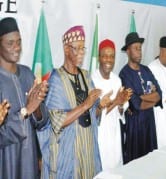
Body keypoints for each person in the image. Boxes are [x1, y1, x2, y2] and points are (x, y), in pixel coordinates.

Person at [40, 26, 102, 178]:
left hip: (88, 150)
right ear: (66, 50)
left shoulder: (86, 76)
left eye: (83, 48)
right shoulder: (56, 80)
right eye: (77, 48)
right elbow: (57, 121)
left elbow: (94, 114)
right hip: (67, 154)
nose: (81, 52)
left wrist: (102, 105)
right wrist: (86, 104)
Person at [0, 17, 49, 179]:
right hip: (6, 159)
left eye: (19, 42)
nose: (16, 47)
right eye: (10, 43)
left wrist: (38, 108)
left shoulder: (27, 73)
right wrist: (26, 110)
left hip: (29, 158)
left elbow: (40, 123)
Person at [119, 32, 162, 163]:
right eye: (136, 48)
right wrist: (151, 98)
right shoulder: (124, 74)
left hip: (149, 123)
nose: (139, 52)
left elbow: (159, 95)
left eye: (140, 48)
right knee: (136, 165)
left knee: (150, 163)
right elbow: (136, 105)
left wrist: (143, 96)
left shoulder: (146, 70)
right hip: (135, 127)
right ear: (128, 51)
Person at [91, 39, 132, 170]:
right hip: (100, 136)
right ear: (99, 58)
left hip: (114, 134)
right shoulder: (92, 80)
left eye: (112, 56)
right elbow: (94, 115)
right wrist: (116, 102)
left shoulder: (117, 80)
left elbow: (121, 111)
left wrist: (121, 104)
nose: (108, 60)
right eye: (105, 56)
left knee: (115, 170)